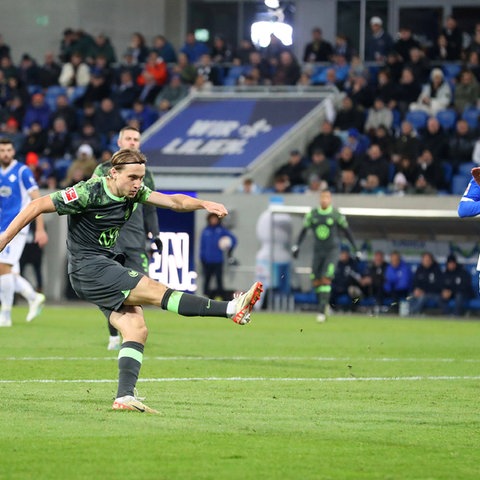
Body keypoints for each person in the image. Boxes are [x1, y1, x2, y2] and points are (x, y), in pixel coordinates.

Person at [0, 148, 263, 413]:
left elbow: (174, 202)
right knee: (155, 289)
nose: (138, 184)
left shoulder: (136, 192)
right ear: (114, 173)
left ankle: (124, 396)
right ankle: (230, 309)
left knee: (136, 328)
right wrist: (4, 238)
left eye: (141, 177)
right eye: (133, 177)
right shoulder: (87, 192)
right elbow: (36, 205)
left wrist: (204, 204)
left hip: (103, 266)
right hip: (88, 267)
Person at [92, 126, 158, 350]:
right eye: (128, 138)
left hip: (136, 239)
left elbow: (151, 206)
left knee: (139, 288)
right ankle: (114, 333)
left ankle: (130, 330)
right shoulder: (102, 169)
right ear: (119, 142)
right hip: (109, 240)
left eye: (136, 139)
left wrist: (155, 233)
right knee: (110, 288)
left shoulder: (145, 173)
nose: (132, 142)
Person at [0, 138, 48, 327]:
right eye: (2, 150)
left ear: (13, 151)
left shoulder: (22, 171)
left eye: (8, 150)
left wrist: (40, 228)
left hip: (16, 229)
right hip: (2, 228)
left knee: (3, 268)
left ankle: (5, 315)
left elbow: (38, 200)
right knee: (8, 272)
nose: (5, 153)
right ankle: (33, 296)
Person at [292, 189, 358, 322]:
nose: (324, 200)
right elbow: (304, 230)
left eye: (327, 197)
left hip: (332, 251)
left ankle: (321, 311)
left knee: (326, 278)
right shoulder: (313, 214)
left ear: (330, 199)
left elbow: (347, 231)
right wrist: (297, 246)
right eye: (322, 197)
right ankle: (325, 304)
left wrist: (355, 249)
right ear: (319, 199)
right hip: (318, 251)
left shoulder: (335, 214)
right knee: (315, 280)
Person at [199, 213, 237, 300]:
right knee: (207, 280)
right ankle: (206, 298)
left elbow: (234, 240)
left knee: (219, 280)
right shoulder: (205, 231)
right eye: (212, 219)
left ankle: (221, 298)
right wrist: (202, 258)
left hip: (218, 261)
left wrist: (229, 247)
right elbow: (202, 246)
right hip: (207, 261)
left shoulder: (221, 230)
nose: (213, 221)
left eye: (215, 219)